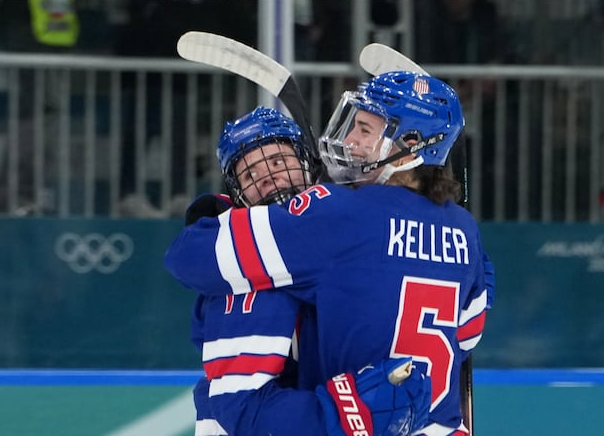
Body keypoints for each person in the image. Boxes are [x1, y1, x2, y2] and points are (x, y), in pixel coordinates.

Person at [166, 72, 494, 435]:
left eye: (365, 131)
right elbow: (467, 335)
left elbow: (191, 259)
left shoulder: (339, 213)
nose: (349, 140)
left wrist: (221, 215)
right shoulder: (464, 230)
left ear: (410, 144)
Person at [182, 106, 431, 436]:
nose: (268, 177)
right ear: (237, 193)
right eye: (249, 175)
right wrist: (347, 417)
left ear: (307, 166)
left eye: (276, 162)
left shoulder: (337, 237)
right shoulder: (242, 275)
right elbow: (240, 409)